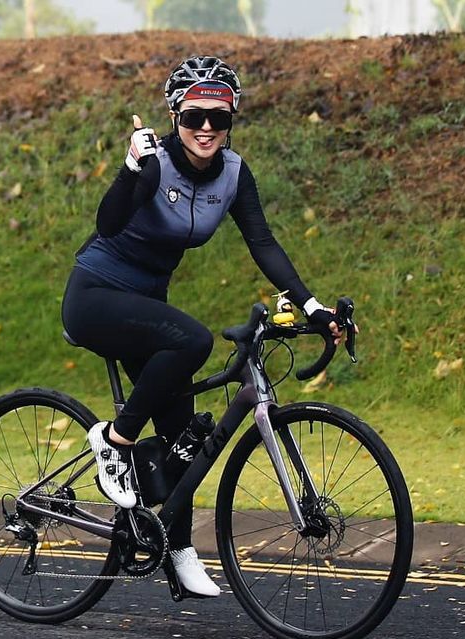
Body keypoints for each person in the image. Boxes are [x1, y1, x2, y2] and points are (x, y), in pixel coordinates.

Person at [61, 56, 350, 598]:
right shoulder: (154, 164)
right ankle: (114, 439)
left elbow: (263, 244)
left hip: (147, 303)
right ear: (176, 116)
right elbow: (108, 224)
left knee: (181, 435)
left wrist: (312, 308)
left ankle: (179, 547)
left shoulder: (235, 175)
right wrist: (129, 168)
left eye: (219, 118)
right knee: (192, 340)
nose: (207, 130)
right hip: (96, 295)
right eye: (195, 117)